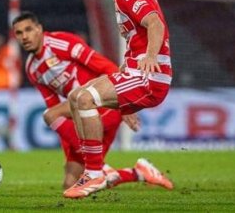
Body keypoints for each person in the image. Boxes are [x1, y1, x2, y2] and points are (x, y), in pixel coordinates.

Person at [63, 0, 173, 199]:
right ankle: (102, 170)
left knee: (85, 99)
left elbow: (155, 23)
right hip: (136, 72)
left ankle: (94, 172)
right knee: (76, 97)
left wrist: (150, 56)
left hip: (149, 76)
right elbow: (140, 34)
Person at [12, 11, 173, 191]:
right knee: (71, 182)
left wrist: (124, 102)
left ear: (39, 29)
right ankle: (138, 172)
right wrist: (71, 151)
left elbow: (105, 66)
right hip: (82, 118)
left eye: (28, 30)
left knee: (50, 115)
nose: (24, 36)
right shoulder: (32, 69)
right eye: (19, 33)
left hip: (101, 106)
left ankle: (103, 168)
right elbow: (57, 111)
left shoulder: (62, 43)